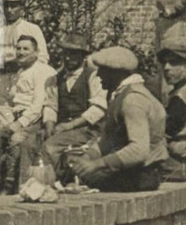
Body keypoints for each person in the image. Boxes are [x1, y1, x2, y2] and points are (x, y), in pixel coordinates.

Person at [68, 47, 168, 192]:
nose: (98, 75)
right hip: (131, 172)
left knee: (83, 183)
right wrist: (88, 157)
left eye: (102, 70)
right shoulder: (119, 95)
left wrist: (97, 164)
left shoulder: (133, 100)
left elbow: (139, 150)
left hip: (143, 175)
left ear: (117, 73)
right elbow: (108, 139)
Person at [0, 35, 56, 195]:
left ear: (36, 52)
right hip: (17, 117)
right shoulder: (21, 71)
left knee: (16, 140)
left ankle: (10, 187)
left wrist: (20, 123)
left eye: (26, 49)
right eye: (19, 48)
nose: (21, 52)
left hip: (35, 121)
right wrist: (7, 120)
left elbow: (38, 105)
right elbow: (14, 101)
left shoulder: (43, 71)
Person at [40, 33, 107, 180]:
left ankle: (52, 184)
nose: (68, 58)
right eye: (66, 54)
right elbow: (51, 106)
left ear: (83, 56)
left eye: (74, 54)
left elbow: (98, 109)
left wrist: (69, 125)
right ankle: (26, 186)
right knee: (30, 143)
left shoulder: (93, 76)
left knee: (50, 147)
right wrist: (49, 125)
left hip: (87, 129)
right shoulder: (55, 79)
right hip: (62, 128)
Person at [0, 0, 48, 108]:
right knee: (0, 113)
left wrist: (24, 66)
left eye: (14, 6)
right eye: (6, 6)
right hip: (0, 78)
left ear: (21, 9)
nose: (9, 10)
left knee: (21, 112)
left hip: (23, 77)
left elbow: (43, 56)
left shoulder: (32, 29)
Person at [156, 22, 186, 181]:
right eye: (165, 63)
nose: (166, 68)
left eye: (174, 62)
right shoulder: (179, 91)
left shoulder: (182, 96)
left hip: (182, 164)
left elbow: (165, 131)